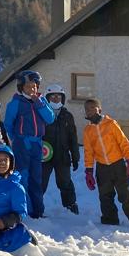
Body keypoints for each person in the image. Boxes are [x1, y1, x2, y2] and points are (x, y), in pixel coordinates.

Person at [82, 98, 129, 227]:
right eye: (87, 109)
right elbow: (88, 152)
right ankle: (110, 221)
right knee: (105, 196)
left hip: (118, 165)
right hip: (102, 168)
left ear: (99, 109)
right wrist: (89, 171)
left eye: (92, 108)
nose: (89, 111)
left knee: (125, 194)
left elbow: (123, 143)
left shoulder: (111, 124)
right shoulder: (88, 131)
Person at [4, 70, 55, 219]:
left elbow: (50, 118)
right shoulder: (16, 103)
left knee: (36, 178)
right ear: (21, 87)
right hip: (22, 143)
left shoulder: (41, 101)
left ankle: (38, 211)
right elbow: (8, 124)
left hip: (37, 144)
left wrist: (39, 104)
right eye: (28, 86)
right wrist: (17, 139)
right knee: (23, 177)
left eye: (34, 86)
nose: (32, 89)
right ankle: (25, 210)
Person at [41, 83, 80, 214]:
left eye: (59, 96)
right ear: (47, 98)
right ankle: (35, 206)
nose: (56, 99)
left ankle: (70, 205)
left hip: (62, 155)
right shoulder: (41, 114)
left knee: (65, 182)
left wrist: (75, 157)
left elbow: (73, 138)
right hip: (44, 155)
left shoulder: (67, 116)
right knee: (40, 182)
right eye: (53, 96)